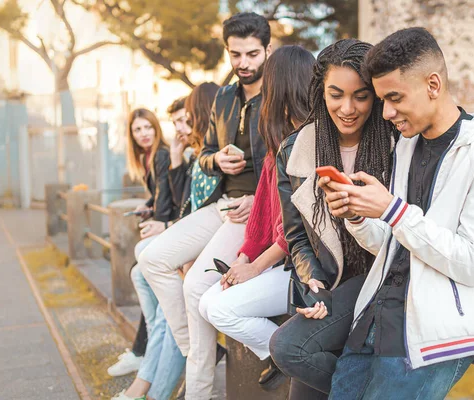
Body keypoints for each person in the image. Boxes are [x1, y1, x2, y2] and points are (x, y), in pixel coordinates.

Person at [321, 27, 474, 399]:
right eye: (383, 99)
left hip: (433, 337)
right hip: (374, 320)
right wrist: (357, 215)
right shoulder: (407, 145)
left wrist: (393, 211)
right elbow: (394, 242)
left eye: (395, 97)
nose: (386, 112)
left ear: (433, 84)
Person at [140, 12, 271, 399]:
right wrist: (218, 160)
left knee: (196, 285)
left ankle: (199, 389)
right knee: (151, 259)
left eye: (251, 54)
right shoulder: (225, 98)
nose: (243, 63)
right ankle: (198, 352)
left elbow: (287, 163)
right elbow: (206, 152)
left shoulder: (280, 96)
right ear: (227, 51)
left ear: (267, 50)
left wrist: (256, 198)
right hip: (221, 205)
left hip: (254, 210)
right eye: (235, 54)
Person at [268, 39, 397, 400]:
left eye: (361, 96)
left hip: (381, 280)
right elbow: (296, 237)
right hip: (331, 286)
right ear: (320, 91)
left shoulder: (397, 143)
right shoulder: (296, 151)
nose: (348, 108)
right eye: (336, 94)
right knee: (294, 355)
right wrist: (313, 281)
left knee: (291, 349)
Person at [198, 45, 315, 390]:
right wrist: (245, 257)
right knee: (207, 301)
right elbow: (263, 216)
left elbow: (299, 230)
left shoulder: (309, 144)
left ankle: (287, 353)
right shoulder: (278, 142)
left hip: (303, 269)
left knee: (219, 310)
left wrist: (256, 267)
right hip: (280, 263)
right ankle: (281, 352)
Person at [112, 90, 223, 400]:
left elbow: (180, 209)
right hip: (190, 242)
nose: (181, 129)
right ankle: (144, 360)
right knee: (147, 279)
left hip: (206, 248)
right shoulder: (189, 156)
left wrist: (166, 223)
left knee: (165, 311)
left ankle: (151, 389)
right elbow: (182, 206)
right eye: (176, 123)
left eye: (186, 121)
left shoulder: (203, 157)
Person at [107, 107, 175, 377]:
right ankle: (141, 351)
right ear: (132, 135)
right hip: (163, 224)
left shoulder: (161, 154)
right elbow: (159, 195)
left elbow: (169, 200)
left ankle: (140, 352)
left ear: (156, 127)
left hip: (172, 229)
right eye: (137, 129)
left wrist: (159, 219)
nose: (144, 133)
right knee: (151, 289)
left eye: (148, 127)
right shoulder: (148, 157)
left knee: (142, 274)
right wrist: (149, 206)